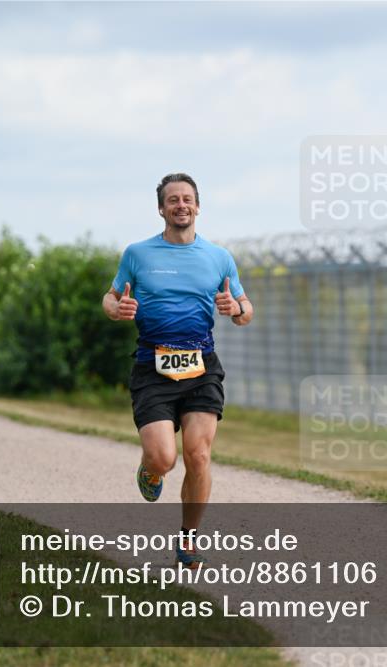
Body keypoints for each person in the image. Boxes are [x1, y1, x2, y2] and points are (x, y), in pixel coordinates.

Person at [103, 173, 252, 568]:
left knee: (198, 455)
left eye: (187, 198)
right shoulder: (138, 253)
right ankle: (150, 471)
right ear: (161, 209)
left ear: (198, 206)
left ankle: (188, 542)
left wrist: (235, 309)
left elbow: (246, 310)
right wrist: (116, 309)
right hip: (152, 366)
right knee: (163, 458)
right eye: (173, 200)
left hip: (202, 366)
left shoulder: (219, 257)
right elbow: (111, 295)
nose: (181, 205)